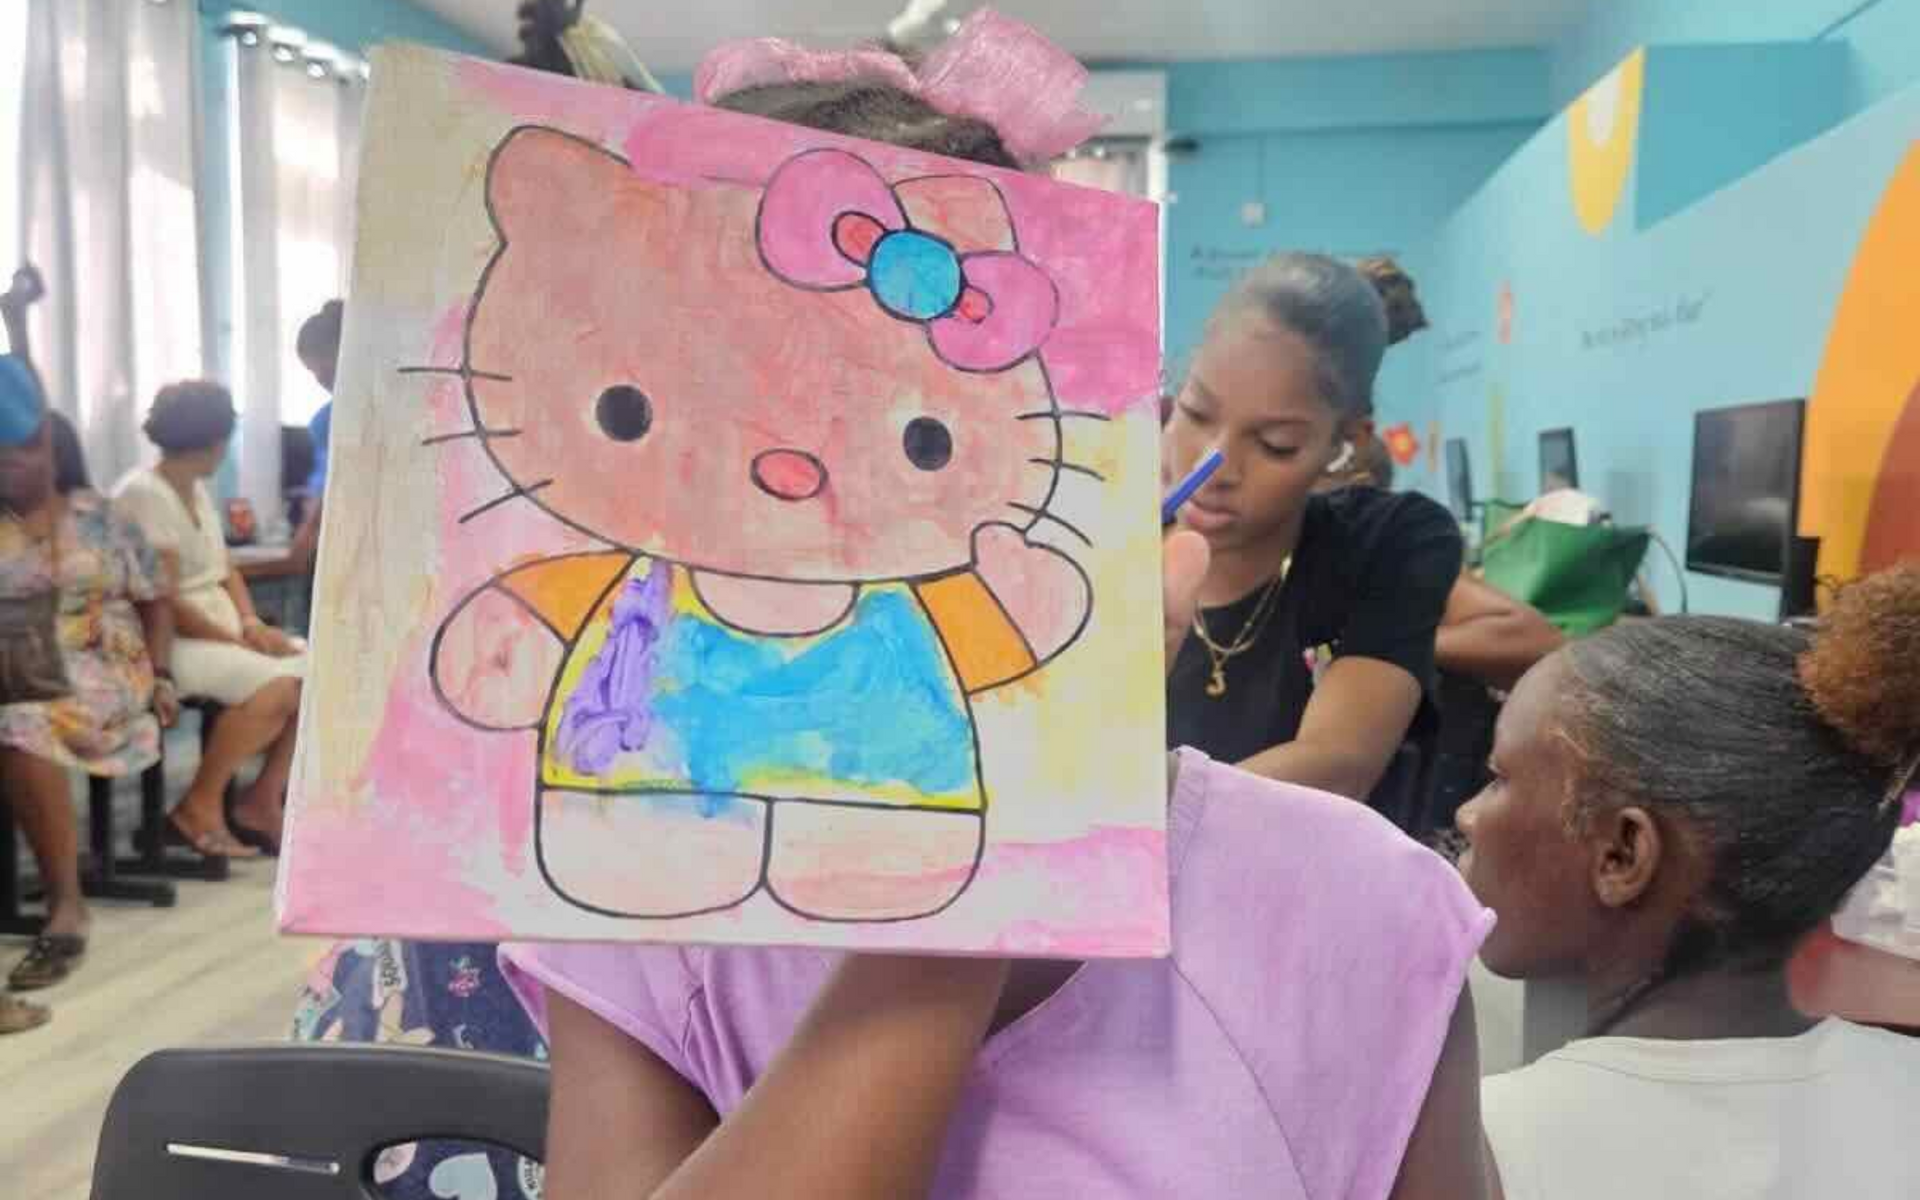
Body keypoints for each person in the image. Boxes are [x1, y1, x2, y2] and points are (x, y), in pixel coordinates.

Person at [500, 13, 1492, 1200]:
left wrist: (1050, 780)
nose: (788, 487)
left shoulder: (1357, 905)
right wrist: (1007, 845)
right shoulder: (633, 896)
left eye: (907, 441)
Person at [1460, 563, 1920, 1199]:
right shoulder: (1904, 1085)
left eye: (1498, 778)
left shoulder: (1483, 1151)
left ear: (1623, 854)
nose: (1469, 815)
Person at [1163, 254, 1462, 802]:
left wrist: (1135, 811)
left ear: (1343, 444)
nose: (1214, 467)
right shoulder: (1103, 537)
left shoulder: (1386, 543)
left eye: (1275, 444)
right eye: (1196, 413)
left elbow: (1339, 762)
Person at [0, 317, 178, 1011]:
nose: (10, 464)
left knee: (19, 722)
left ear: (52, 451)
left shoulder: (101, 517)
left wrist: (162, 673)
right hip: (21, 669)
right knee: (19, 710)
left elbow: (155, 600)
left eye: (22, 450)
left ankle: (66, 904)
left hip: (105, 670)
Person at [115, 381, 303, 857]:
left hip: (219, 633)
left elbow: (226, 569)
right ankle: (199, 804)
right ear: (213, 439)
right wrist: (236, 641)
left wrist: (253, 625)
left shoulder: (196, 489)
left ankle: (262, 799)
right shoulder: (143, 493)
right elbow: (163, 600)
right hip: (167, 642)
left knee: (315, 671)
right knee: (281, 685)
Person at [286, 299, 342, 571]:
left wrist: (308, 529)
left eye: (324, 368)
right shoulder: (324, 420)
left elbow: (335, 481)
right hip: (330, 535)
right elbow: (326, 482)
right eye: (313, 372)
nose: (319, 378)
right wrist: (308, 530)